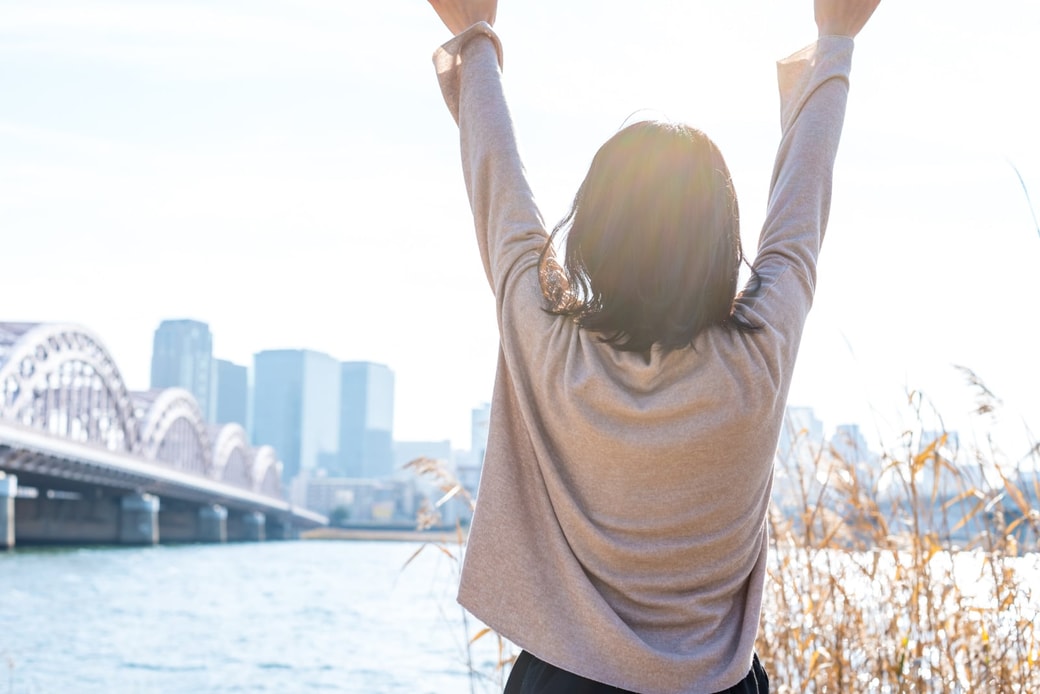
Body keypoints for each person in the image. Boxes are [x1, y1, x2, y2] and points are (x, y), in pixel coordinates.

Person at [425, 1, 880, 692]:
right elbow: (800, 208)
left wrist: (475, 36)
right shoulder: (755, 358)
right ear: (722, 242)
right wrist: (836, 41)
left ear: (593, 235)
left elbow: (499, 182)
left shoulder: (552, 349)